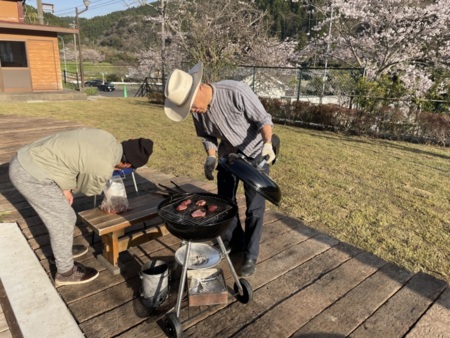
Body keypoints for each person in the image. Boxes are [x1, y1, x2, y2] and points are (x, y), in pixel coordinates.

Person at [164, 62, 276, 277]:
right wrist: (211, 157)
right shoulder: (198, 110)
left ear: (200, 88)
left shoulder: (236, 91)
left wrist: (268, 143)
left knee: (254, 208)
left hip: (255, 154)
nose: (193, 111)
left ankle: (251, 254)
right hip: (228, 157)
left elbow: (263, 118)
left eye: (192, 105)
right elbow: (207, 136)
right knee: (225, 204)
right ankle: (234, 242)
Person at [8, 128, 153, 286]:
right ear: (126, 163)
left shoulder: (107, 137)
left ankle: (62, 252)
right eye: (130, 168)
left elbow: (72, 158)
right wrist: (106, 173)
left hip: (31, 156)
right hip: (30, 174)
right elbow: (88, 190)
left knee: (63, 215)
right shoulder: (103, 167)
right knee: (63, 219)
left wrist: (66, 188)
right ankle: (65, 272)